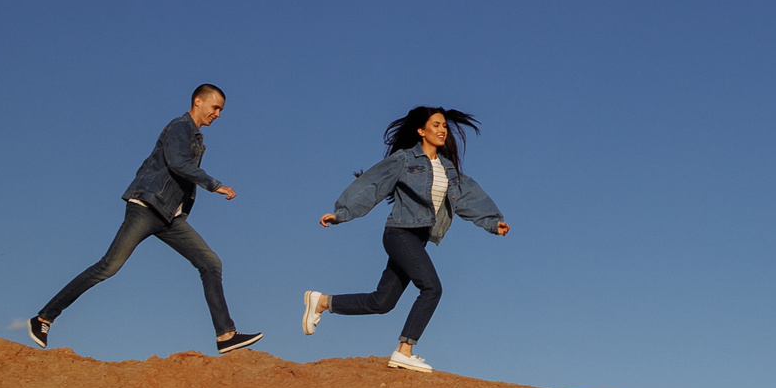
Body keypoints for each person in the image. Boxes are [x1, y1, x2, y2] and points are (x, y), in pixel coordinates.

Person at [29, 85, 264, 354]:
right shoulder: (179, 127)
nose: (218, 114)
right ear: (198, 101)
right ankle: (44, 318)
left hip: (170, 217)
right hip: (147, 207)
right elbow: (178, 163)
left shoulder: (197, 138)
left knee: (210, 263)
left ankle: (225, 335)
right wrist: (215, 185)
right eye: (215, 107)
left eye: (221, 110)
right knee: (108, 267)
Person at [302, 105, 509, 373]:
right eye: (436, 125)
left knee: (382, 302)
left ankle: (322, 302)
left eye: (444, 126)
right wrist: (342, 213)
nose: (442, 130)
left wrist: (492, 222)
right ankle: (404, 350)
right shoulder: (404, 159)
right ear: (421, 131)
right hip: (399, 233)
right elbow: (373, 185)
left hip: (416, 240)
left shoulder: (448, 169)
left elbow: (469, 198)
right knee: (432, 288)